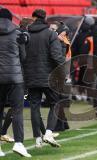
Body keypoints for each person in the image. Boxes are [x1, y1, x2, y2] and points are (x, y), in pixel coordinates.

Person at [24, 9, 65, 147]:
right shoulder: (51, 34)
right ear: (45, 18)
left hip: (31, 76)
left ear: (33, 17)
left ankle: (37, 139)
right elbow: (56, 56)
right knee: (55, 103)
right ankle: (48, 133)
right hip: (49, 76)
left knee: (34, 106)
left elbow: (22, 56)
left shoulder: (26, 34)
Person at [0, 8, 31, 157]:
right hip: (15, 77)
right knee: (17, 110)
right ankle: (19, 143)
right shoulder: (18, 33)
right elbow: (23, 57)